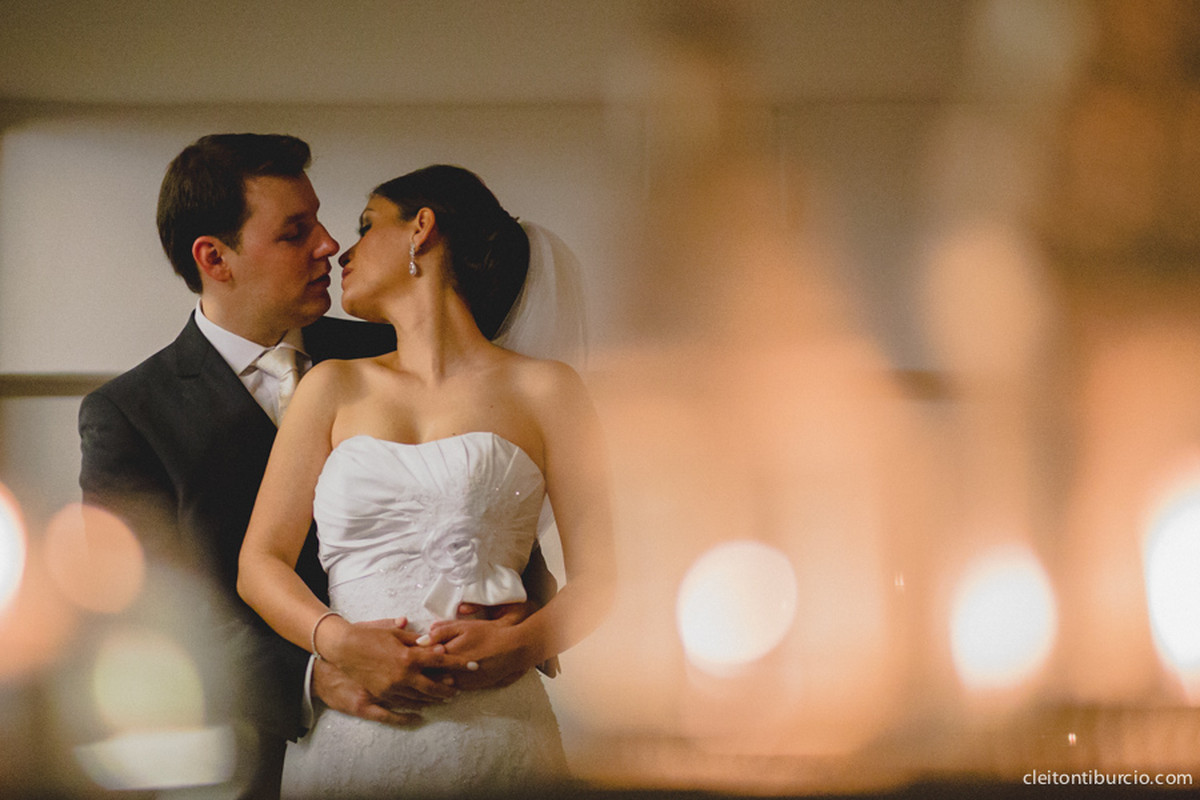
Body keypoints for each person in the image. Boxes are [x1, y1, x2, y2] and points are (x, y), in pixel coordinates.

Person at [77, 135, 557, 799]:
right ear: (214, 258)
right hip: (261, 755)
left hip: (479, 714)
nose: (329, 245)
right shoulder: (129, 414)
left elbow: (488, 494)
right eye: (295, 231)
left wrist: (524, 618)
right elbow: (147, 613)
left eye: (325, 222)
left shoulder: (392, 344)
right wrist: (315, 674)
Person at [237, 165, 615, 797]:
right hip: (353, 736)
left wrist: (521, 647)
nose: (343, 252)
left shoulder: (548, 390)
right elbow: (260, 563)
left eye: (366, 226)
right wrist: (339, 641)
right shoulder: (331, 386)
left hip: (500, 733)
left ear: (422, 228)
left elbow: (603, 580)